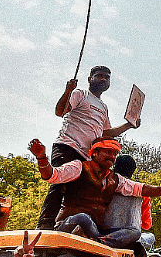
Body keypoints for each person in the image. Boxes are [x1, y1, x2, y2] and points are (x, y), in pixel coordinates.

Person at [28, 139, 161, 248]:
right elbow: (51, 175)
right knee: (83, 217)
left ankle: (100, 243)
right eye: (108, 152)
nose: (112, 156)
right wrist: (42, 157)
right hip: (71, 225)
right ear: (95, 153)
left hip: (95, 232)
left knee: (135, 232)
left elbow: (142, 189)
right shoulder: (78, 167)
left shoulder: (115, 180)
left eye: (114, 154)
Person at [37, 66, 137, 229]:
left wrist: (128, 125)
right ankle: (45, 224)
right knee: (60, 185)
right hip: (67, 146)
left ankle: (64, 225)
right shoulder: (80, 94)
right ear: (90, 79)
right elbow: (59, 111)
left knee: (78, 193)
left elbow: (106, 133)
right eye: (99, 76)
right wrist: (68, 91)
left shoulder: (103, 107)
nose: (103, 79)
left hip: (86, 156)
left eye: (107, 77)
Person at [101, 155, 153, 256]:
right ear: (132, 172)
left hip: (101, 232)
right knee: (150, 236)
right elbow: (147, 225)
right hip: (129, 239)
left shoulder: (103, 183)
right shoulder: (142, 192)